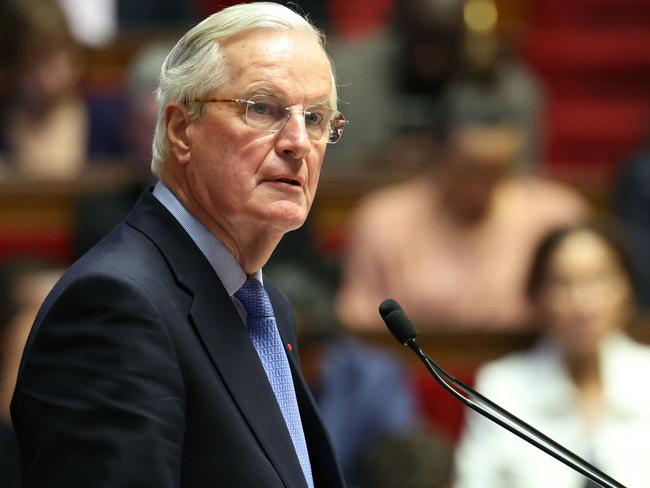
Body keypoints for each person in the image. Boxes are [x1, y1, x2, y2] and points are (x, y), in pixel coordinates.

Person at [11, 3, 348, 487]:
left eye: (316, 118)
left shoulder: (263, 303)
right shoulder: (115, 307)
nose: (298, 141)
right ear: (180, 129)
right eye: (262, 108)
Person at [336, 114, 588, 332]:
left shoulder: (556, 213)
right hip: (404, 374)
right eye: (470, 170)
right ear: (441, 159)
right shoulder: (384, 218)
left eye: (495, 172)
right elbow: (358, 317)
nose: (481, 189)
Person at [455, 222, 650, 488]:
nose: (582, 303)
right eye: (562, 283)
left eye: (598, 279)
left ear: (627, 289)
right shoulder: (501, 386)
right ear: (538, 296)